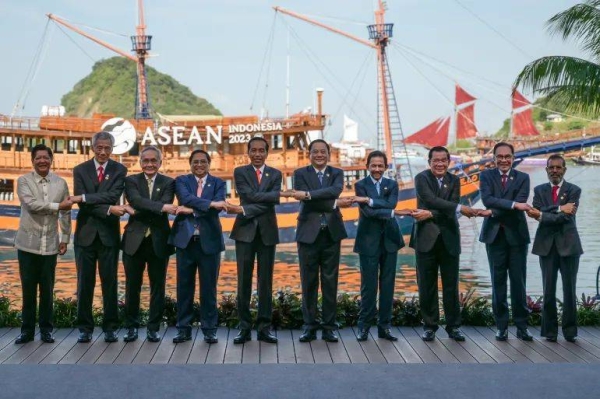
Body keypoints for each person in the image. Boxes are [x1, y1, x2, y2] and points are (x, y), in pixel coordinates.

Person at [410, 146, 478, 342]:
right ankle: (429, 326)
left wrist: (431, 213)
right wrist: (457, 208)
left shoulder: (454, 180)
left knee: (451, 285)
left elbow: (446, 208)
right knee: (426, 285)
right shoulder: (422, 178)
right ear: (429, 161)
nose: (439, 164)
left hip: (449, 238)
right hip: (425, 239)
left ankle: (453, 326)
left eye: (443, 160)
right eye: (435, 160)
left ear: (449, 162)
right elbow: (430, 199)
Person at [70, 131, 128, 343]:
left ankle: (110, 327)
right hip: (85, 236)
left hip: (108, 236)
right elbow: (82, 204)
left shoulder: (120, 169)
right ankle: (85, 328)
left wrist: (85, 197)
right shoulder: (80, 170)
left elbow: (113, 196)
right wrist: (107, 209)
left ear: (112, 149)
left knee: (110, 283)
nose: (103, 152)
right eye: (99, 148)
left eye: (107, 148)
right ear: (92, 147)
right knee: (84, 284)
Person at [13, 144, 72, 344]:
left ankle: (47, 330)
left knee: (47, 290)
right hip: (27, 245)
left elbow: (66, 212)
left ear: (51, 159)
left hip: (50, 244)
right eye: (38, 158)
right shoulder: (23, 181)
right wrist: (57, 206)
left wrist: (65, 239)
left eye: (45, 157)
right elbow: (31, 205)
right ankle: (27, 331)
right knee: (28, 290)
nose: (42, 161)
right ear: (32, 160)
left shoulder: (61, 183)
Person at [293, 139, 350, 343]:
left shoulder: (337, 173)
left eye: (323, 151)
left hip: (331, 233)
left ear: (329, 153)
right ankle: (309, 326)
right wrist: (332, 203)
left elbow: (334, 191)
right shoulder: (300, 174)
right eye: (315, 151)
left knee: (330, 282)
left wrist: (309, 195)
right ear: (309, 154)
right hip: (308, 234)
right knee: (308, 282)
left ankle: (328, 327)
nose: (319, 155)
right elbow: (329, 198)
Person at [228, 137, 283, 344]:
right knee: (243, 281)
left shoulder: (276, 174)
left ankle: (264, 328)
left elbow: (273, 199)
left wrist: (243, 208)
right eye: (254, 150)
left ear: (267, 153)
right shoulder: (240, 172)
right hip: (245, 232)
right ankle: (244, 327)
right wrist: (266, 198)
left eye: (261, 150)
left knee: (265, 282)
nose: (258, 154)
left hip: (267, 233)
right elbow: (248, 195)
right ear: (248, 152)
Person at [353, 150, 412, 342]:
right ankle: (364, 326)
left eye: (380, 166)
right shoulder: (360, 185)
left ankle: (385, 327)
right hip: (368, 241)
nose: (377, 169)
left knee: (388, 285)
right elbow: (369, 213)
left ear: (385, 167)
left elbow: (391, 203)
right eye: (373, 165)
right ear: (367, 166)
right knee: (368, 286)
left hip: (390, 240)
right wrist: (388, 210)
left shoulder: (392, 184)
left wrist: (371, 201)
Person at [169, 149, 227, 344]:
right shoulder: (182, 181)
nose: (199, 165)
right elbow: (185, 199)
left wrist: (193, 209)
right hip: (185, 242)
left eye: (203, 161)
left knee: (209, 288)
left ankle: (209, 329)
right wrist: (210, 205)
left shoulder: (219, 183)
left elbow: (219, 206)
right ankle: (183, 329)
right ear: (190, 163)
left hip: (209, 242)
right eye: (195, 162)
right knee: (184, 287)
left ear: (209, 163)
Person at [478, 142, 533, 341]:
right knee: (497, 282)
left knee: (519, 283)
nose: (503, 160)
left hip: (517, 237)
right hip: (494, 237)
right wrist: (512, 204)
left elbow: (520, 201)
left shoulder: (523, 178)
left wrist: (494, 210)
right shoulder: (485, 176)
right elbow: (487, 200)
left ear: (513, 157)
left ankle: (522, 327)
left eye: (507, 156)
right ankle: (501, 326)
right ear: (494, 158)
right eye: (499, 156)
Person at [121, 146, 176, 343]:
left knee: (157, 287)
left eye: (154, 160)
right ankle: (132, 328)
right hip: (134, 242)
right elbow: (135, 200)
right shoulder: (131, 181)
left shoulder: (169, 182)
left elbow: (143, 205)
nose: (150, 164)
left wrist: (135, 210)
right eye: (146, 160)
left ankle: (153, 328)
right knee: (132, 286)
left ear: (160, 163)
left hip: (158, 241)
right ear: (140, 162)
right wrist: (160, 207)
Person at [526, 155, 582, 343]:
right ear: (547, 170)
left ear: (564, 170)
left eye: (558, 168)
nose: (555, 171)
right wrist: (559, 209)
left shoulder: (574, 190)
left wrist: (544, 213)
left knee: (569, 290)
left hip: (569, 247)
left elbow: (567, 217)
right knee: (548, 290)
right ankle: (549, 333)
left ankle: (570, 332)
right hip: (546, 247)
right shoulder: (539, 190)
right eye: (551, 168)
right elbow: (535, 213)